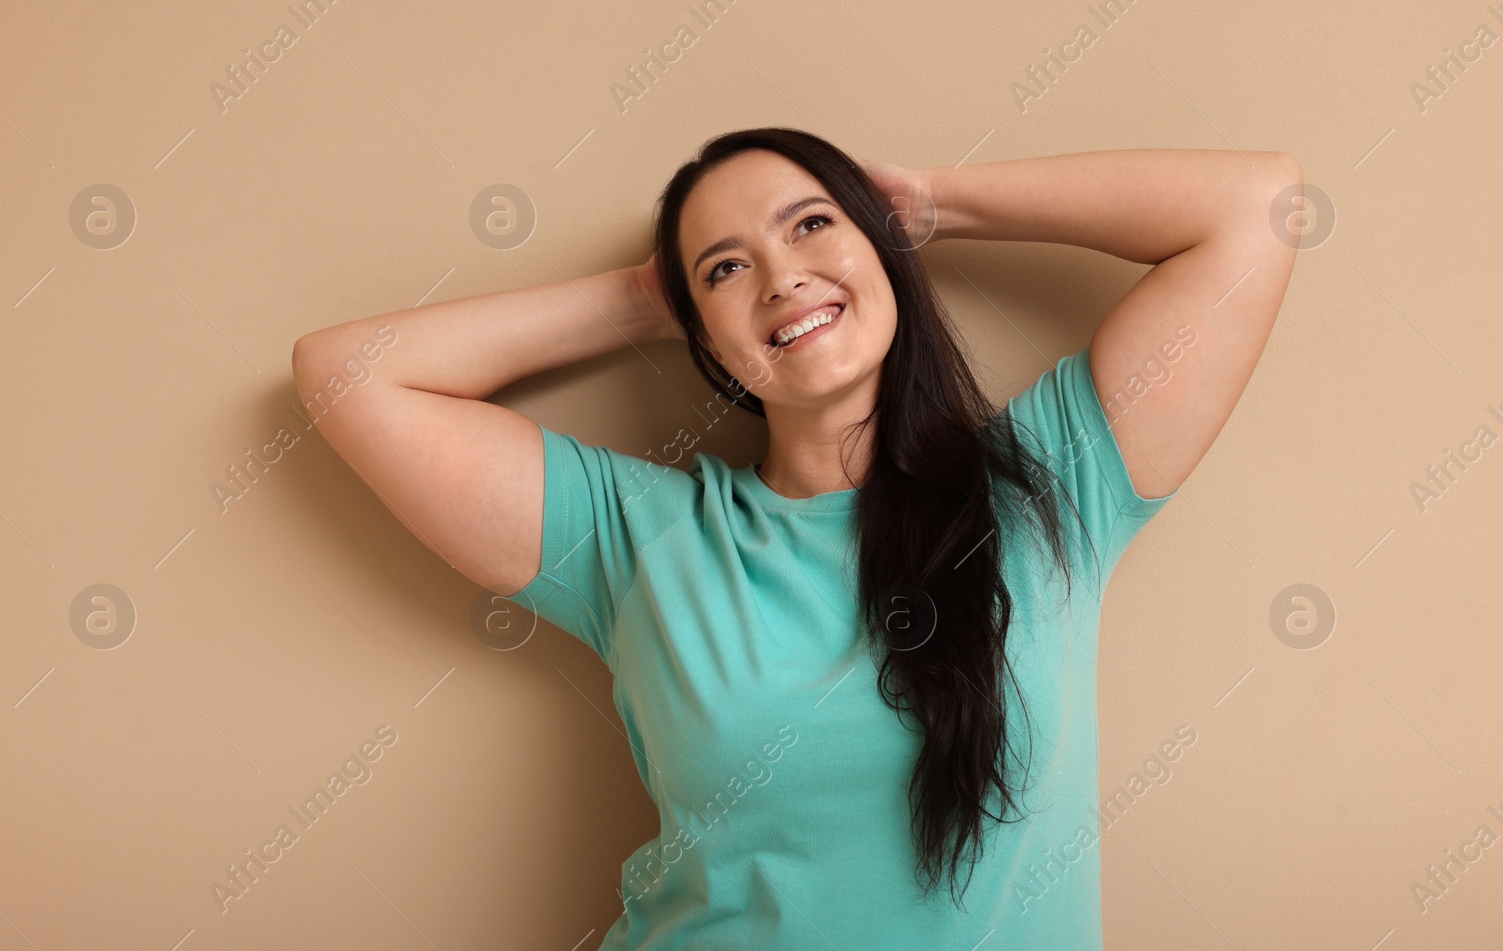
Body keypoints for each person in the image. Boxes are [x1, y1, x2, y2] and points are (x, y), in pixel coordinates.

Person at [291, 127, 1300, 949]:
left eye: (813, 224)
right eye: (726, 267)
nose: (781, 276)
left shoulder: (1048, 483)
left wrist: (935, 204)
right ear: (701, 333)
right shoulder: (635, 538)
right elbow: (344, 374)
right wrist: (645, 299)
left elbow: (1255, 206)